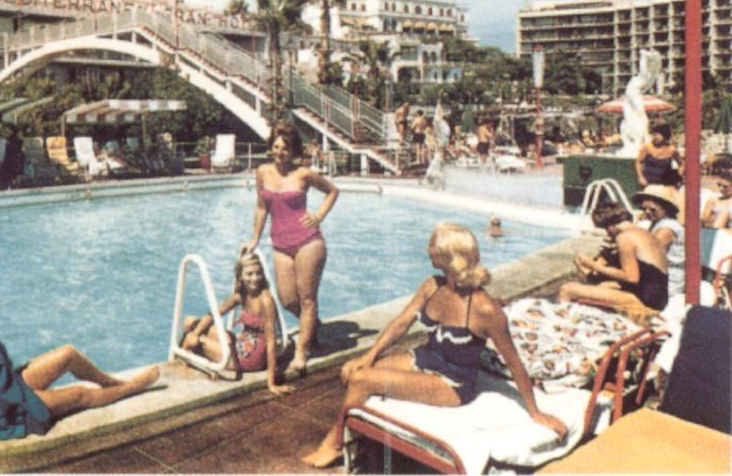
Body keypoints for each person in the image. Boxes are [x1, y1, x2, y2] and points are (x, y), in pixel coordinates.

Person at [301, 223, 566, 468]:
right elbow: (401, 323)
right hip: (425, 358)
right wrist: (368, 357)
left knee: (362, 381)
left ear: (449, 256)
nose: (428, 250)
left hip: (453, 383)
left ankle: (334, 445)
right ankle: (359, 437)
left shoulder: (485, 309)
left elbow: (514, 363)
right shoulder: (432, 285)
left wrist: (535, 412)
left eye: (433, 246)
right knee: (354, 372)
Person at [0, 275, 161, 471]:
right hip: (3, 411)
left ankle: (110, 382)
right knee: (80, 394)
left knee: (68, 354)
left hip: (7, 386)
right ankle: (131, 388)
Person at [243, 122, 340, 374]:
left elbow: (332, 191)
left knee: (307, 298)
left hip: (308, 241)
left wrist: (318, 216)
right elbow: (261, 207)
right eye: (276, 147)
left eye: (285, 149)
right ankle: (312, 326)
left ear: (293, 150)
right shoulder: (262, 172)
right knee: (287, 300)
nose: (280, 153)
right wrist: (255, 238)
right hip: (280, 244)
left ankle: (301, 352)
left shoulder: (304, 174)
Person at [178, 249, 293, 396]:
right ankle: (189, 349)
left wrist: (271, 383)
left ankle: (182, 360)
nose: (255, 278)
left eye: (258, 273)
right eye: (249, 274)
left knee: (194, 341)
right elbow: (214, 314)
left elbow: (271, 343)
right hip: (240, 344)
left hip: (251, 358)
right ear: (240, 276)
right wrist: (196, 331)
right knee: (190, 322)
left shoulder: (266, 301)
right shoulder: (241, 296)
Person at [558, 202, 669, 311]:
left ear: (611, 224)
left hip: (646, 300)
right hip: (657, 298)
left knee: (567, 289)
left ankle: (562, 318)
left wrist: (593, 265)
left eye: (606, 229)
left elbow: (631, 278)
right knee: (602, 286)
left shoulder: (624, 237)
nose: (608, 233)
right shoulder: (643, 233)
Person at [633, 186, 684, 299]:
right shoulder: (657, 223)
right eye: (644, 209)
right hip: (657, 275)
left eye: (652, 210)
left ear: (666, 208)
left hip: (669, 280)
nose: (647, 212)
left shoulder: (667, 228)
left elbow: (650, 254)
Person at [636, 123, 681, 189]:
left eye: (656, 135)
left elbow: (682, 164)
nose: (654, 137)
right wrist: (640, 177)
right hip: (648, 183)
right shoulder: (647, 147)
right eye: (653, 135)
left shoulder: (672, 150)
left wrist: (677, 178)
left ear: (665, 135)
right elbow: (639, 162)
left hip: (665, 185)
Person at [701, 164, 732, 229]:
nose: (721, 188)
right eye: (719, 185)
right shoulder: (713, 201)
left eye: (725, 186)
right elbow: (703, 222)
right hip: (715, 230)